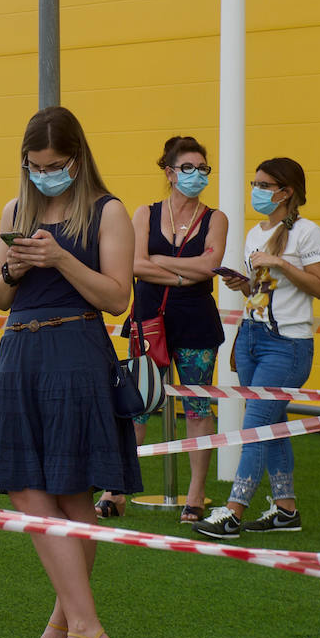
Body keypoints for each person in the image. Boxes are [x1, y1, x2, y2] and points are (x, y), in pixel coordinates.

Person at [0, 106, 138, 638]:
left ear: (77, 158)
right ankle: (72, 630)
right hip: (19, 352)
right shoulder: (15, 210)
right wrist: (15, 270)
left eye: (54, 165)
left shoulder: (108, 211)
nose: (44, 174)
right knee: (24, 482)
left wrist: (60, 258)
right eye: (35, 166)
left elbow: (116, 298)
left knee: (70, 492)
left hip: (75, 351)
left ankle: (80, 631)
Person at [194, 156, 320, 540]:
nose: (256, 191)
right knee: (271, 424)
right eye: (255, 184)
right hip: (252, 336)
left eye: (264, 186)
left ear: (286, 192)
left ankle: (234, 511)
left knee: (254, 426)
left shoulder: (308, 233)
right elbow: (262, 290)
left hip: (287, 345)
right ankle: (286, 509)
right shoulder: (255, 233)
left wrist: (280, 263)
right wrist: (244, 285)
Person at [95, 136, 227, 523]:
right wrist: (185, 274)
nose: (197, 174)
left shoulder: (215, 218)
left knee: (197, 408)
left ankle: (195, 494)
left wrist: (160, 261)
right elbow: (134, 264)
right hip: (148, 322)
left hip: (197, 324)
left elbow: (210, 266)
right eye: (188, 168)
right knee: (135, 405)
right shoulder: (145, 213)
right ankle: (116, 490)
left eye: (202, 168)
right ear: (169, 173)